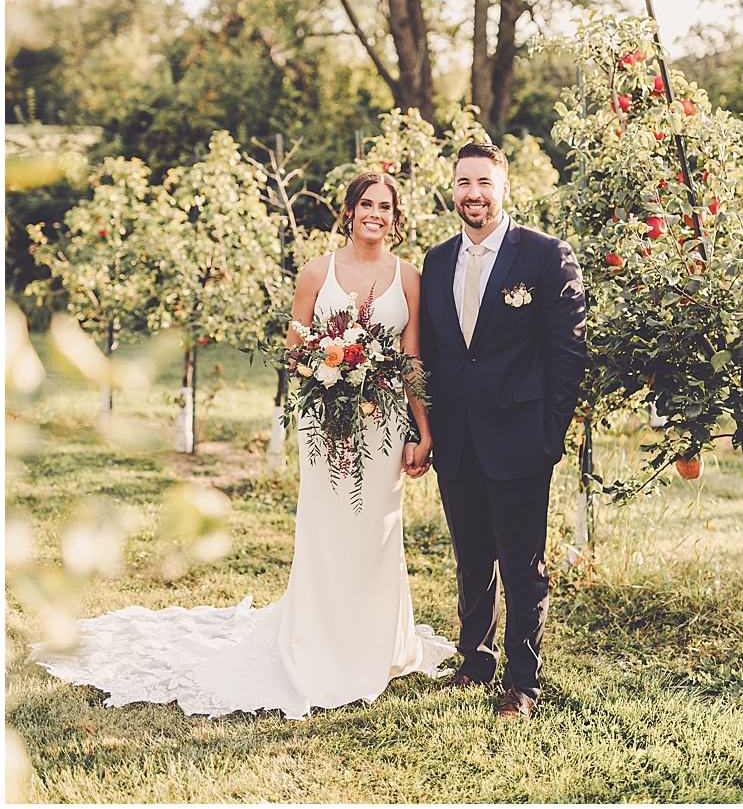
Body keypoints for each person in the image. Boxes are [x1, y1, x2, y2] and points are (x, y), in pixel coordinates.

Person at [31, 172, 454, 717]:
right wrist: (339, 370)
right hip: (327, 422)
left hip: (385, 426)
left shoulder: (409, 277)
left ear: (396, 217)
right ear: (348, 211)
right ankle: (320, 646)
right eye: (366, 203)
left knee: (376, 532)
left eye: (386, 206)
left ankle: (376, 644)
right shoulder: (316, 272)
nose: (376, 213)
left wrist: (423, 428)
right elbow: (296, 353)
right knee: (328, 529)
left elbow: (412, 357)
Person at [418, 141, 587, 718]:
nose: (474, 194)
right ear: (453, 189)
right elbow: (438, 355)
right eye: (464, 183)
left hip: (521, 438)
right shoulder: (436, 261)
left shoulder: (544, 256)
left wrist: (548, 434)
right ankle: (476, 660)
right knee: (471, 559)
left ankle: (523, 681)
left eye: (484, 183)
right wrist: (430, 429)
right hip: (457, 439)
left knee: (521, 564)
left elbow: (568, 355)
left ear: (504, 187)